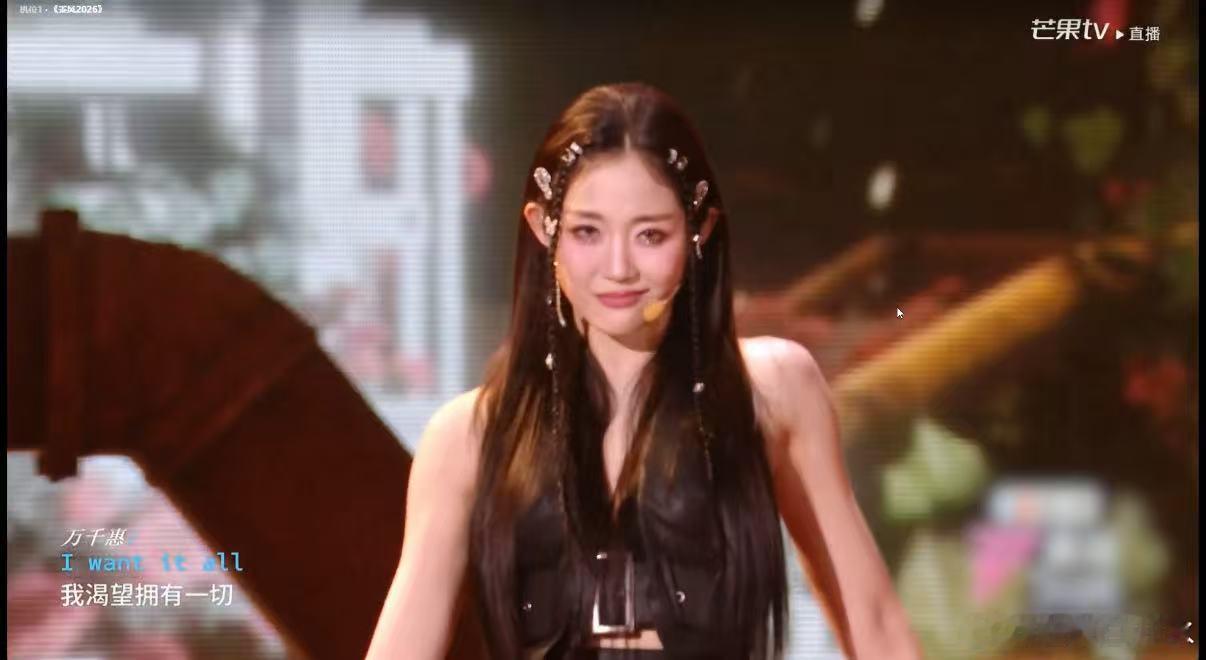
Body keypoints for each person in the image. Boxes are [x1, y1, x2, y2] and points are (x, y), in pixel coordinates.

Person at [366, 82, 921, 659]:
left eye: (650, 235)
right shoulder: (469, 436)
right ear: (544, 228)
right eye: (587, 231)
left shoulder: (773, 390)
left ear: (700, 229)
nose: (619, 267)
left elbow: (875, 622)